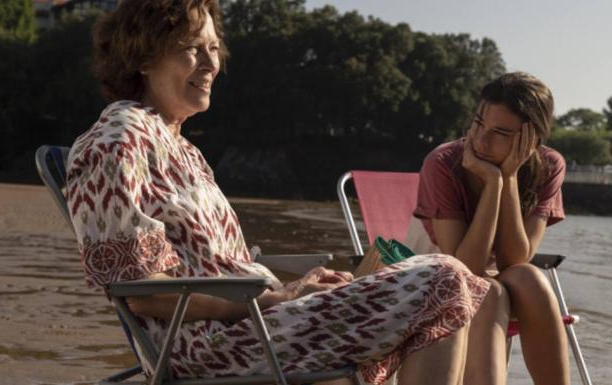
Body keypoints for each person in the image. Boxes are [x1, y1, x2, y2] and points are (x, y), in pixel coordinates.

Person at [66, 1, 490, 384]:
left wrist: (296, 289)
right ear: (143, 55)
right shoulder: (118, 140)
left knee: (454, 282)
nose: (211, 63)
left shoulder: (184, 150)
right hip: (206, 347)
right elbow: (144, 293)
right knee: (445, 277)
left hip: (253, 323)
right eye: (192, 48)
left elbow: (220, 266)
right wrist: (274, 298)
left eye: (214, 49)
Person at [414, 72, 569, 385]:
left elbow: (515, 261)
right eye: (478, 123)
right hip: (432, 273)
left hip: (495, 276)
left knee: (531, 278)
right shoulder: (443, 162)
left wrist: (508, 178)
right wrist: (493, 183)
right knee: (490, 291)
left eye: (500, 132)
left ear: (531, 139)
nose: (481, 140)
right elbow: (465, 267)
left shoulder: (549, 166)